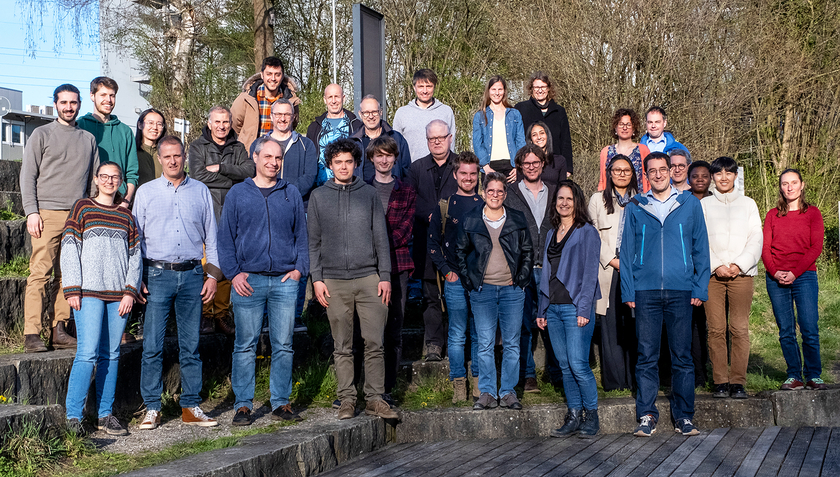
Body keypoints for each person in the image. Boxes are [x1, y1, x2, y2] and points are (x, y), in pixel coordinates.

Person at [218, 136, 308, 426]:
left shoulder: (290, 193)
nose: (273, 163)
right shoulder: (237, 194)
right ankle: (243, 404)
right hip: (249, 281)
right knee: (245, 344)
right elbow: (225, 239)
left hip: (284, 280)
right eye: (267, 157)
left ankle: (281, 401)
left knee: (284, 343)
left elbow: (302, 236)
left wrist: (299, 269)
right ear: (255, 158)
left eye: (278, 158)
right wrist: (233, 273)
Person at [307, 138, 399, 420]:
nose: (344, 166)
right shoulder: (318, 196)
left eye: (348, 162)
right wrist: (317, 279)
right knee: (342, 345)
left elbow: (381, 239)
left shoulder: (368, 194)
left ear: (357, 163)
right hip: (333, 281)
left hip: (369, 278)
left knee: (374, 342)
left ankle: (375, 397)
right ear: (330, 165)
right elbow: (313, 243)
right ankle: (346, 398)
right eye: (338, 162)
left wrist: (384, 276)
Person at [134, 135, 221, 430]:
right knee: (153, 346)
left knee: (191, 345)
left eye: (178, 155)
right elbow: (135, 241)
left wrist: (212, 275)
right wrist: (137, 278)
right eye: (167, 156)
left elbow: (212, 236)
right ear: (159, 158)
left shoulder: (200, 191)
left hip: (193, 274)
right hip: (157, 274)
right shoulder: (145, 193)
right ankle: (152, 407)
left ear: (185, 157)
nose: (173, 161)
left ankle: (190, 406)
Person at [620, 152, 709, 438]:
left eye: (663, 169)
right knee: (646, 355)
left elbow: (700, 247)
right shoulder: (635, 206)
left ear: (671, 171)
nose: (658, 175)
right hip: (645, 291)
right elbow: (627, 250)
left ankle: (684, 416)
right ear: (645, 174)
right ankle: (646, 415)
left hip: (681, 289)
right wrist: (628, 289)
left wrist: (699, 286)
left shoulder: (689, 204)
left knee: (681, 356)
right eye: (652, 171)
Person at [61, 161, 141, 436]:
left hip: (119, 296)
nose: (109, 181)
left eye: (114, 177)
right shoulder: (82, 208)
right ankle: (73, 415)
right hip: (89, 294)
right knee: (87, 353)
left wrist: (131, 290)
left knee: (112, 354)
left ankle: (105, 415)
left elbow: (135, 257)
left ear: (121, 181)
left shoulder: (127, 217)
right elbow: (70, 247)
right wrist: (72, 288)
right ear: (96, 179)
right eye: (104, 176)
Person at [21, 83, 98, 353]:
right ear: (56, 104)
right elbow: (28, 175)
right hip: (47, 213)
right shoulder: (41, 135)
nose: (69, 107)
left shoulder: (88, 139)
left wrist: (89, 212)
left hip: (77, 215)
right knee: (40, 273)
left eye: (73, 102)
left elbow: (93, 181)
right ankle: (32, 332)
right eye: (64, 102)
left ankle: (59, 329)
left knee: (69, 275)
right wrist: (31, 211)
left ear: (79, 105)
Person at [456, 172, 533, 411]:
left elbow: (528, 252)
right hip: (483, 290)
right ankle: (488, 393)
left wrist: (521, 280)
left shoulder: (517, 219)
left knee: (511, 343)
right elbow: (460, 253)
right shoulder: (471, 220)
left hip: (512, 290)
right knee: (485, 343)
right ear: (483, 193)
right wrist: (470, 282)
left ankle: (508, 391)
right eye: (491, 191)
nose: (495, 195)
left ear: (505, 194)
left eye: (500, 191)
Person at [537, 180, 601, 438]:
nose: (564, 203)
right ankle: (573, 415)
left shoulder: (587, 232)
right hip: (553, 308)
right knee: (564, 365)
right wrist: (542, 310)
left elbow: (589, 274)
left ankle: (591, 415)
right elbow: (547, 275)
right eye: (560, 198)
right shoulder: (552, 233)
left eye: (569, 199)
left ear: (577, 202)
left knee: (578, 363)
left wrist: (584, 309)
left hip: (576, 308)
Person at [189, 106, 254, 335]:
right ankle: (206, 313)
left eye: (225, 122)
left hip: (231, 213)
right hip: (206, 212)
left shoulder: (238, 147)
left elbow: (249, 172)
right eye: (217, 122)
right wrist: (232, 177)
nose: (221, 126)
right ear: (209, 123)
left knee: (226, 265)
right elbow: (198, 176)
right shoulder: (198, 147)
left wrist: (221, 168)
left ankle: (222, 313)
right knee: (207, 266)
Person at [701, 157, 763, 399]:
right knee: (716, 329)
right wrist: (717, 265)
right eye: (719, 173)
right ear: (713, 177)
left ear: (736, 175)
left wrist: (739, 264)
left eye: (729, 173)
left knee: (738, 328)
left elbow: (755, 237)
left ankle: (738, 381)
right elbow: (699, 239)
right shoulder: (704, 205)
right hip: (713, 275)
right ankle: (720, 381)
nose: (724, 177)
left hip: (742, 274)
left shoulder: (748, 204)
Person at [504, 144, 561, 393]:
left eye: (536, 162)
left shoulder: (556, 192)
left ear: (543, 164)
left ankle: (557, 371)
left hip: (550, 267)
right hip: (522, 268)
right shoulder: (510, 193)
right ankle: (528, 376)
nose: (531, 167)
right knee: (523, 323)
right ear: (520, 166)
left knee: (553, 321)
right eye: (526, 163)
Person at [762, 169, 826, 391]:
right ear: (780, 187)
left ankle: (813, 375)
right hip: (776, 277)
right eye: (785, 183)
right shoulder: (772, 215)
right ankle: (793, 375)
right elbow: (765, 248)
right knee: (786, 329)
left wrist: (795, 272)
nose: (789, 187)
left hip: (804, 276)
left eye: (794, 182)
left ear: (802, 185)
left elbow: (815, 247)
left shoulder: (813, 214)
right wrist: (774, 271)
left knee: (809, 326)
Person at [364, 136, 416, 407]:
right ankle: (368, 386)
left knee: (394, 328)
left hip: (398, 266)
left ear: (395, 159)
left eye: (389, 155)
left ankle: (387, 387)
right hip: (367, 269)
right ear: (371, 158)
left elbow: (405, 230)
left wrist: (377, 246)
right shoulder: (363, 190)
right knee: (370, 331)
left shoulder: (406, 191)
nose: (384, 160)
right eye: (379, 155)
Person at [428, 151, 483, 403]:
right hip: (455, 279)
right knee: (458, 332)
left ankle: (479, 381)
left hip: (482, 281)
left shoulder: (486, 204)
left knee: (480, 332)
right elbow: (433, 244)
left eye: (473, 173)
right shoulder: (444, 205)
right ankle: (458, 381)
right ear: (455, 174)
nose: (468, 178)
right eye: (464, 173)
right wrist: (446, 272)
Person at [405, 120, 459, 361]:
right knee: (430, 296)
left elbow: (469, 194)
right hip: (426, 242)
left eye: (441, 137)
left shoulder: (462, 165)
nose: (436, 142)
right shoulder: (415, 169)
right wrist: (432, 215)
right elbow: (409, 199)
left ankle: (457, 343)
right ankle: (433, 344)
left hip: (457, 241)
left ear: (450, 137)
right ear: (427, 141)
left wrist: (447, 216)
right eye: (432, 138)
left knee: (457, 295)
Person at [587, 154, 639, 392]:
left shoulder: (641, 200)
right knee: (610, 325)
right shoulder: (597, 199)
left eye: (626, 170)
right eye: (617, 170)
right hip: (608, 267)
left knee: (633, 323)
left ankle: (634, 378)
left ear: (633, 174)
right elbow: (592, 233)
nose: (621, 174)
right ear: (609, 173)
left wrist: (631, 262)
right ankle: (615, 381)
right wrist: (612, 259)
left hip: (634, 267)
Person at [77, 77, 139, 207]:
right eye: (103, 95)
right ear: (92, 96)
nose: (108, 100)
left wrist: (125, 202)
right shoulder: (80, 126)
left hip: (118, 202)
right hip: (88, 201)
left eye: (112, 95)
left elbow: (132, 173)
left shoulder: (125, 131)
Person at [231, 56, 300, 152]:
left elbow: (292, 123)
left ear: (282, 76)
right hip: (251, 156)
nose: (273, 78)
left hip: (280, 155)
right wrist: (247, 138)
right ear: (262, 75)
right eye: (269, 74)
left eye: (277, 74)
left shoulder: (291, 100)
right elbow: (234, 124)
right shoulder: (246, 99)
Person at [260, 98, 318, 207]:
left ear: (293, 117)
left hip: (297, 204)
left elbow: (309, 177)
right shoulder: (259, 145)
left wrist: (286, 194)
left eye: (287, 114)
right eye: (278, 114)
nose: (282, 119)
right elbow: (254, 174)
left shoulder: (306, 145)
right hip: (265, 204)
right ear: (271, 116)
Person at [514, 72, 574, 175]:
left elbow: (565, 140)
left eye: (543, 87)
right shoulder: (521, 109)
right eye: (536, 87)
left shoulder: (559, 111)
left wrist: (568, 168)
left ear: (548, 88)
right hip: (530, 165)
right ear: (531, 89)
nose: (540, 90)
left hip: (554, 164)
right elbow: (515, 138)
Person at [393, 69, 456, 161]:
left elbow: (451, 143)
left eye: (429, 86)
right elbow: (396, 146)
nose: (425, 91)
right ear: (414, 87)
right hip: (410, 172)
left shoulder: (446, 111)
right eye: (421, 86)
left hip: (440, 171)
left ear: (434, 87)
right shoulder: (402, 113)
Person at [472, 75, 526, 182]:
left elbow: (520, 141)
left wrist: (518, 167)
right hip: (489, 166)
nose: (497, 93)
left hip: (511, 167)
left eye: (500, 89)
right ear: (488, 91)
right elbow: (477, 143)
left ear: (504, 91)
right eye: (493, 89)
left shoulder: (514, 114)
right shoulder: (480, 116)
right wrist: (486, 167)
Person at [306, 84, 361, 186]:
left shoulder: (356, 126)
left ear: (343, 98)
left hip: (349, 186)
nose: (333, 101)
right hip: (321, 187)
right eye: (330, 97)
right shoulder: (314, 128)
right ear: (324, 100)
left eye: (337, 96)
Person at [351, 95, 412, 181]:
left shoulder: (397, 139)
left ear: (381, 112)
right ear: (360, 114)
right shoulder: (353, 142)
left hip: (391, 192)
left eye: (374, 112)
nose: (371, 116)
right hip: (362, 193)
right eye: (366, 113)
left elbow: (407, 171)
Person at [598, 109, 650, 192]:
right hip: (612, 200)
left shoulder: (643, 150)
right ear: (615, 128)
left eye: (628, 124)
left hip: (638, 200)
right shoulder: (606, 151)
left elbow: (649, 179)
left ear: (634, 128)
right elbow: (602, 180)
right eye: (621, 124)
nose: (625, 128)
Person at [525, 121, 568, 186]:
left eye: (542, 133)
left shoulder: (560, 161)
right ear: (530, 140)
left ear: (547, 136)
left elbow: (563, 188)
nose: (539, 137)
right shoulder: (525, 162)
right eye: (534, 135)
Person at [135, 108, 167, 187]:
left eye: (159, 124)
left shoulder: (166, 154)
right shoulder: (132, 152)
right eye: (150, 123)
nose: (155, 127)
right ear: (140, 125)